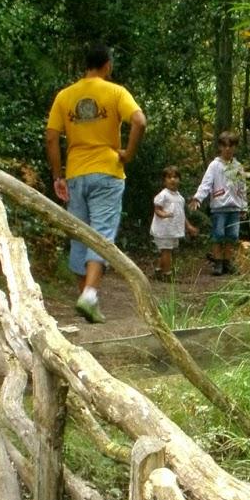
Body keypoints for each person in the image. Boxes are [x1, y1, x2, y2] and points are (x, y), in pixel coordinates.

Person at [45, 44, 146, 324]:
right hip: (107, 171)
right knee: (100, 234)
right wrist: (128, 153)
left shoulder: (65, 96)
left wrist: (57, 175)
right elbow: (139, 121)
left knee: (80, 234)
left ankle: (87, 300)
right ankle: (89, 295)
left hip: (76, 173)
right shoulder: (115, 92)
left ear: (85, 65)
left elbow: (52, 137)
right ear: (107, 66)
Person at [191, 130, 248, 275]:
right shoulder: (214, 166)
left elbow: (242, 188)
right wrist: (198, 197)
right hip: (219, 207)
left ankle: (227, 262)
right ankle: (218, 263)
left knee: (232, 236)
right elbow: (206, 183)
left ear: (235, 147)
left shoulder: (238, 166)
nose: (228, 149)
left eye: (231, 146)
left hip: (234, 208)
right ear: (220, 147)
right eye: (225, 146)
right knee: (218, 234)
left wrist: (244, 206)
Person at [149, 166, 197, 279]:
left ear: (179, 180)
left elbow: (181, 214)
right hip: (164, 229)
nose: (172, 180)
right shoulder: (164, 194)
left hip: (173, 229)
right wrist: (163, 214)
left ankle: (159, 270)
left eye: (175, 177)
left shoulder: (180, 198)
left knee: (168, 250)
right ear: (164, 180)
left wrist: (189, 226)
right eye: (169, 177)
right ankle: (167, 274)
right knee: (167, 251)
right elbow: (157, 209)